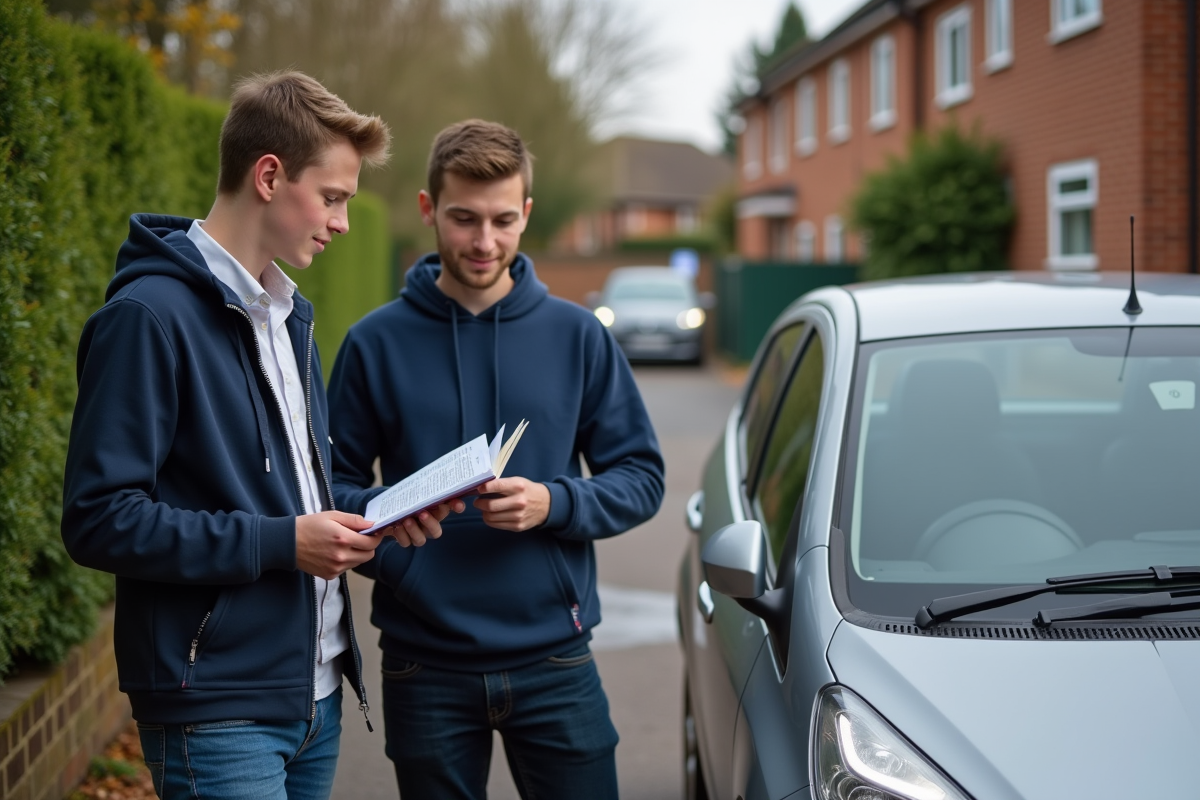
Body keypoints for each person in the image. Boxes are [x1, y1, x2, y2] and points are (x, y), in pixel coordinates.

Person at [61, 70, 455, 800]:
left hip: (316, 696)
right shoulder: (147, 319)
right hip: (216, 706)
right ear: (269, 175)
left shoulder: (289, 315)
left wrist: (378, 514)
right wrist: (283, 543)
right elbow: (98, 520)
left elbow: (293, 491)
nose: (340, 221)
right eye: (332, 197)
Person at [327, 119, 666, 799]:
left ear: (527, 214)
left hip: (556, 658)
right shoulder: (374, 343)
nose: (485, 242)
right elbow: (331, 487)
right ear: (428, 210)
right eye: (464, 219)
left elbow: (642, 477)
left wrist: (555, 502)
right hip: (424, 663)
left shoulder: (577, 337)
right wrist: (396, 539)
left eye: (503, 220)